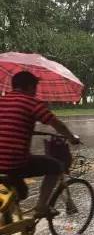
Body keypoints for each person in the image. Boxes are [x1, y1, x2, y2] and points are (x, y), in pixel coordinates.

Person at [0, 71, 80, 218]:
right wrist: (71, 137)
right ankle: (42, 207)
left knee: (19, 191)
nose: (36, 92)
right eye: (35, 88)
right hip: (15, 161)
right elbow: (55, 123)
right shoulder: (31, 102)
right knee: (56, 166)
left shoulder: (3, 101)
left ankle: (8, 216)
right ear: (30, 87)